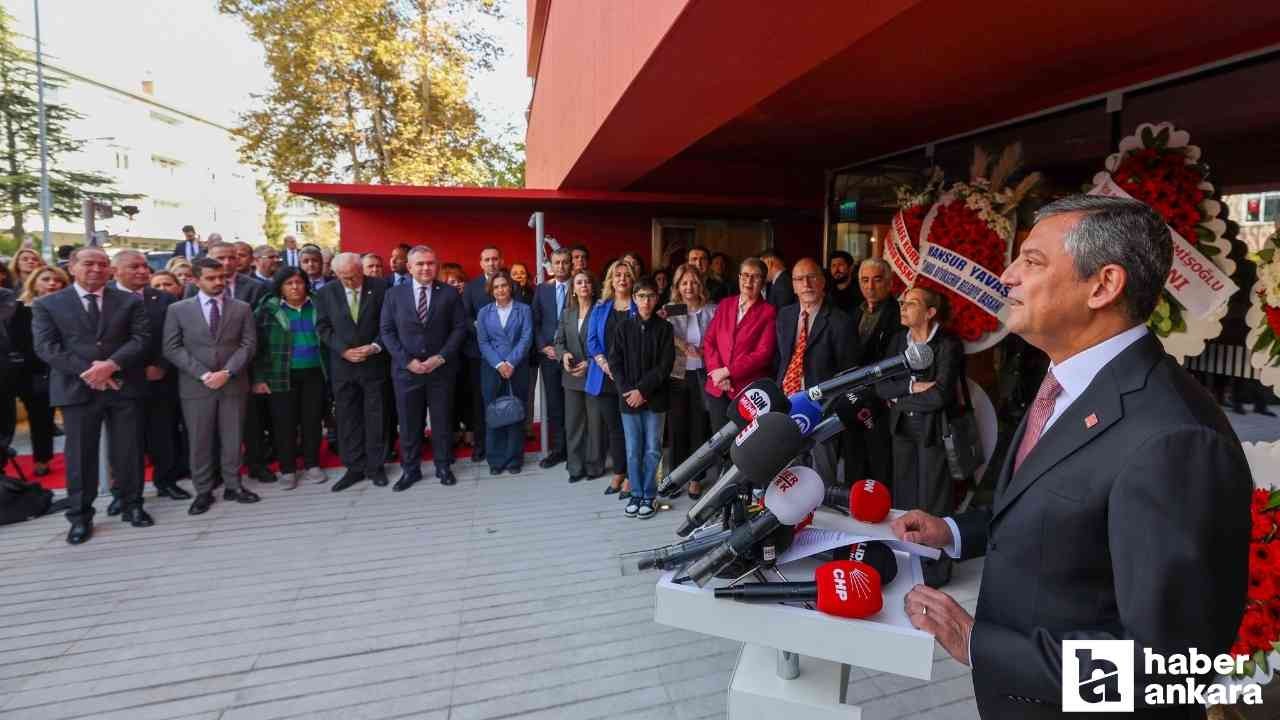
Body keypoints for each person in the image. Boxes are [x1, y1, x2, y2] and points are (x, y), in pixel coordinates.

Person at [891, 195, 1252, 716]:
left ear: (1103, 285)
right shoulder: (1068, 380)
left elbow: (1172, 667)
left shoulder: (1174, 437)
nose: (1007, 275)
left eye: (1032, 261)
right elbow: (1061, 515)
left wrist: (978, 645)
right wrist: (954, 532)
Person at [32, 247, 154, 544]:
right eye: (89, 264)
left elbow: (141, 339)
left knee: (128, 449)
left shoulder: (128, 301)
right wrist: (91, 372)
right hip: (77, 388)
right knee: (80, 455)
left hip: (122, 385)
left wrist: (112, 365)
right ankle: (80, 516)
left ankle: (132, 504)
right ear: (72, 267)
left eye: (102, 264)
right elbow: (47, 348)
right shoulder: (47, 304)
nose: (96, 269)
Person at [878, 287, 963, 588]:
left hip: (934, 432)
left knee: (933, 498)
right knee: (904, 496)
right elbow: (881, 387)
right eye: (902, 302)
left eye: (911, 303)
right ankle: (907, 563)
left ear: (930, 312)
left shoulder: (948, 344)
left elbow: (941, 395)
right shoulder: (897, 341)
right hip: (902, 429)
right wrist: (914, 387)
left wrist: (900, 396)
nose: (902, 307)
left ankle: (936, 570)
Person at [163, 257, 261, 515]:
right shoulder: (178, 310)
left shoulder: (241, 308)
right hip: (196, 386)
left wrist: (227, 372)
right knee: (199, 440)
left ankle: (234, 485)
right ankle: (203, 491)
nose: (219, 282)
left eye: (222, 278)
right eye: (211, 278)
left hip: (233, 383)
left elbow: (248, 345)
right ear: (196, 280)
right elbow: (172, 347)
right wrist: (205, 374)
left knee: (233, 437)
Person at [380, 244, 466, 488]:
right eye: (420, 263)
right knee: (409, 424)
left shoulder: (449, 293)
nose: (426, 268)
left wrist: (440, 357)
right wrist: (408, 362)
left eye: (430, 263)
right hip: (407, 372)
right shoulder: (393, 295)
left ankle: (443, 466)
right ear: (409, 267)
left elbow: (459, 329)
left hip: (440, 370)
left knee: (441, 421)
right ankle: (411, 470)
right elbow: (386, 331)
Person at [109, 250, 189, 506]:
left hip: (159, 378)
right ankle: (122, 492)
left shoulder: (162, 298)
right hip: (121, 380)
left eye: (145, 266)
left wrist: (161, 365)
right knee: (124, 440)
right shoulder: (105, 298)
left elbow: (173, 336)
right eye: (134, 267)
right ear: (116, 270)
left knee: (162, 433)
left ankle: (165, 481)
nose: (143, 271)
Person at [774, 258, 855, 484]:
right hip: (787, 400)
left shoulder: (840, 321)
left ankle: (822, 515)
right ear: (793, 285)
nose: (806, 284)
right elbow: (781, 358)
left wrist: (831, 405)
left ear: (822, 282)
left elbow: (848, 372)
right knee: (790, 467)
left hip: (821, 406)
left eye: (812, 278)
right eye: (800, 279)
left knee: (822, 473)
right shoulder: (785, 315)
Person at [314, 252, 390, 491]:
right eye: (345, 278)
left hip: (375, 363)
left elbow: (389, 322)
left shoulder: (381, 287)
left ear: (362, 270)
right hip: (344, 366)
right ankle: (354, 467)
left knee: (376, 416)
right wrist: (344, 350)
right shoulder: (326, 293)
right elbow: (323, 328)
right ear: (336, 275)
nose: (351, 281)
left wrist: (376, 345)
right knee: (348, 418)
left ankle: (376, 466)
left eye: (355, 276)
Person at [252, 266, 328, 490]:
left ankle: (312, 464)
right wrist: (258, 378)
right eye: (289, 283)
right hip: (281, 373)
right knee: (283, 422)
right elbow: (256, 347)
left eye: (299, 282)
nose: (295, 287)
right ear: (280, 287)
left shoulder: (319, 305)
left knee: (312, 420)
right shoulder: (268, 309)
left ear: (306, 284)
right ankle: (288, 468)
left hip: (315, 371)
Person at [611, 279, 674, 519]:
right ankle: (635, 493)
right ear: (634, 299)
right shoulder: (623, 328)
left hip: (655, 400)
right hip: (628, 400)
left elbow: (664, 366)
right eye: (641, 296)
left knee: (652, 449)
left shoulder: (665, 329)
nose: (646, 301)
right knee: (632, 450)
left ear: (656, 299)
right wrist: (629, 391)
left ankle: (649, 494)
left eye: (650, 296)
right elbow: (615, 363)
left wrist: (643, 391)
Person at [0, 266, 69, 478]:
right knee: (15, 419)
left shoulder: (71, 308)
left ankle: (44, 458)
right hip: (23, 371)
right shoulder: (17, 309)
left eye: (57, 280)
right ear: (33, 283)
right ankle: (21, 459)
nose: (51, 283)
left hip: (59, 368)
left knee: (44, 419)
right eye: (45, 279)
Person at [702, 257, 777, 431]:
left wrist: (728, 372)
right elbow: (709, 340)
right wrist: (716, 372)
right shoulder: (725, 304)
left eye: (755, 277)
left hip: (747, 391)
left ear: (764, 281)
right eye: (745, 275)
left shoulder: (769, 312)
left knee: (743, 443)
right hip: (717, 388)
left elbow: (763, 354)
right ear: (738, 278)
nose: (748, 281)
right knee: (719, 442)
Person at [844, 257, 900, 487]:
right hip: (851, 395)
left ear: (889, 283)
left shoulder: (898, 313)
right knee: (853, 457)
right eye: (864, 280)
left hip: (880, 397)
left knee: (879, 461)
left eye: (877, 280)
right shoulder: (853, 312)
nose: (870, 286)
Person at [586, 260, 637, 497]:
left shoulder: (640, 305)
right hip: (605, 377)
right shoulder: (601, 307)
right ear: (611, 280)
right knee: (614, 429)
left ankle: (632, 476)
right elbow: (592, 340)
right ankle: (619, 472)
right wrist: (603, 363)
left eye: (626, 275)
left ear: (633, 279)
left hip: (631, 378)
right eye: (617, 275)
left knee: (632, 429)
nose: (622, 279)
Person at [665, 263, 716, 499]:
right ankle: (676, 476)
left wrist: (704, 350)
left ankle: (697, 478)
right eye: (684, 282)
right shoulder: (673, 309)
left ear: (701, 285)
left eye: (694, 282)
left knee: (699, 428)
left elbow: (719, 340)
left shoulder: (712, 310)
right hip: (678, 375)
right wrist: (682, 344)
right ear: (677, 286)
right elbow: (663, 333)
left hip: (704, 374)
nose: (689, 287)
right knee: (677, 428)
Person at [475, 270, 533, 475]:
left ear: (511, 287)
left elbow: (526, 338)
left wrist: (511, 362)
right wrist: (499, 364)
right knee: (494, 413)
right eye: (496, 286)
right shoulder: (484, 313)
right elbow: (483, 342)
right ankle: (495, 460)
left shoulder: (524, 310)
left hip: (517, 368)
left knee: (515, 412)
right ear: (491, 290)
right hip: (492, 369)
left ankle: (514, 459)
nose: (500, 289)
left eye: (504, 285)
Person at [555, 270, 601, 483]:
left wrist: (591, 364)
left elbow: (607, 343)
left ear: (593, 287)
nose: (583, 285)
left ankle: (594, 466)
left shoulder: (600, 311)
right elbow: (558, 342)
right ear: (573, 288)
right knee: (573, 424)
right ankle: (575, 467)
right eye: (579, 282)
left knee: (594, 424)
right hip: (572, 376)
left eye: (587, 282)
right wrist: (563, 355)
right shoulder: (566, 313)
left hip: (594, 375)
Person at [461, 245, 505, 464]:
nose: (491, 263)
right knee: (480, 402)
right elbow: (464, 317)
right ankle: (481, 445)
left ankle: (503, 444)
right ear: (481, 263)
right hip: (478, 355)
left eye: (495, 259)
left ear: (501, 261)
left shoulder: (510, 285)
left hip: (505, 355)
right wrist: (479, 326)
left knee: (503, 399)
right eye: (487, 259)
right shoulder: (471, 287)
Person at [532, 248, 572, 469]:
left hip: (574, 356)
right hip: (549, 356)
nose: (561, 266)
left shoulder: (580, 286)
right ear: (552, 265)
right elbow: (535, 321)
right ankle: (558, 450)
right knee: (555, 405)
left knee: (575, 405)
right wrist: (542, 346)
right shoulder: (542, 290)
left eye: (565, 262)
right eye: (557, 263)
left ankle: (575, 450)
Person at [183, 241, 268, 308]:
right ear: (208, 259)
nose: (227, 263)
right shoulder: (194, 286)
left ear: (237, 260)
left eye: (232, 258)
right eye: (221, 258)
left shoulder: (255, 287)